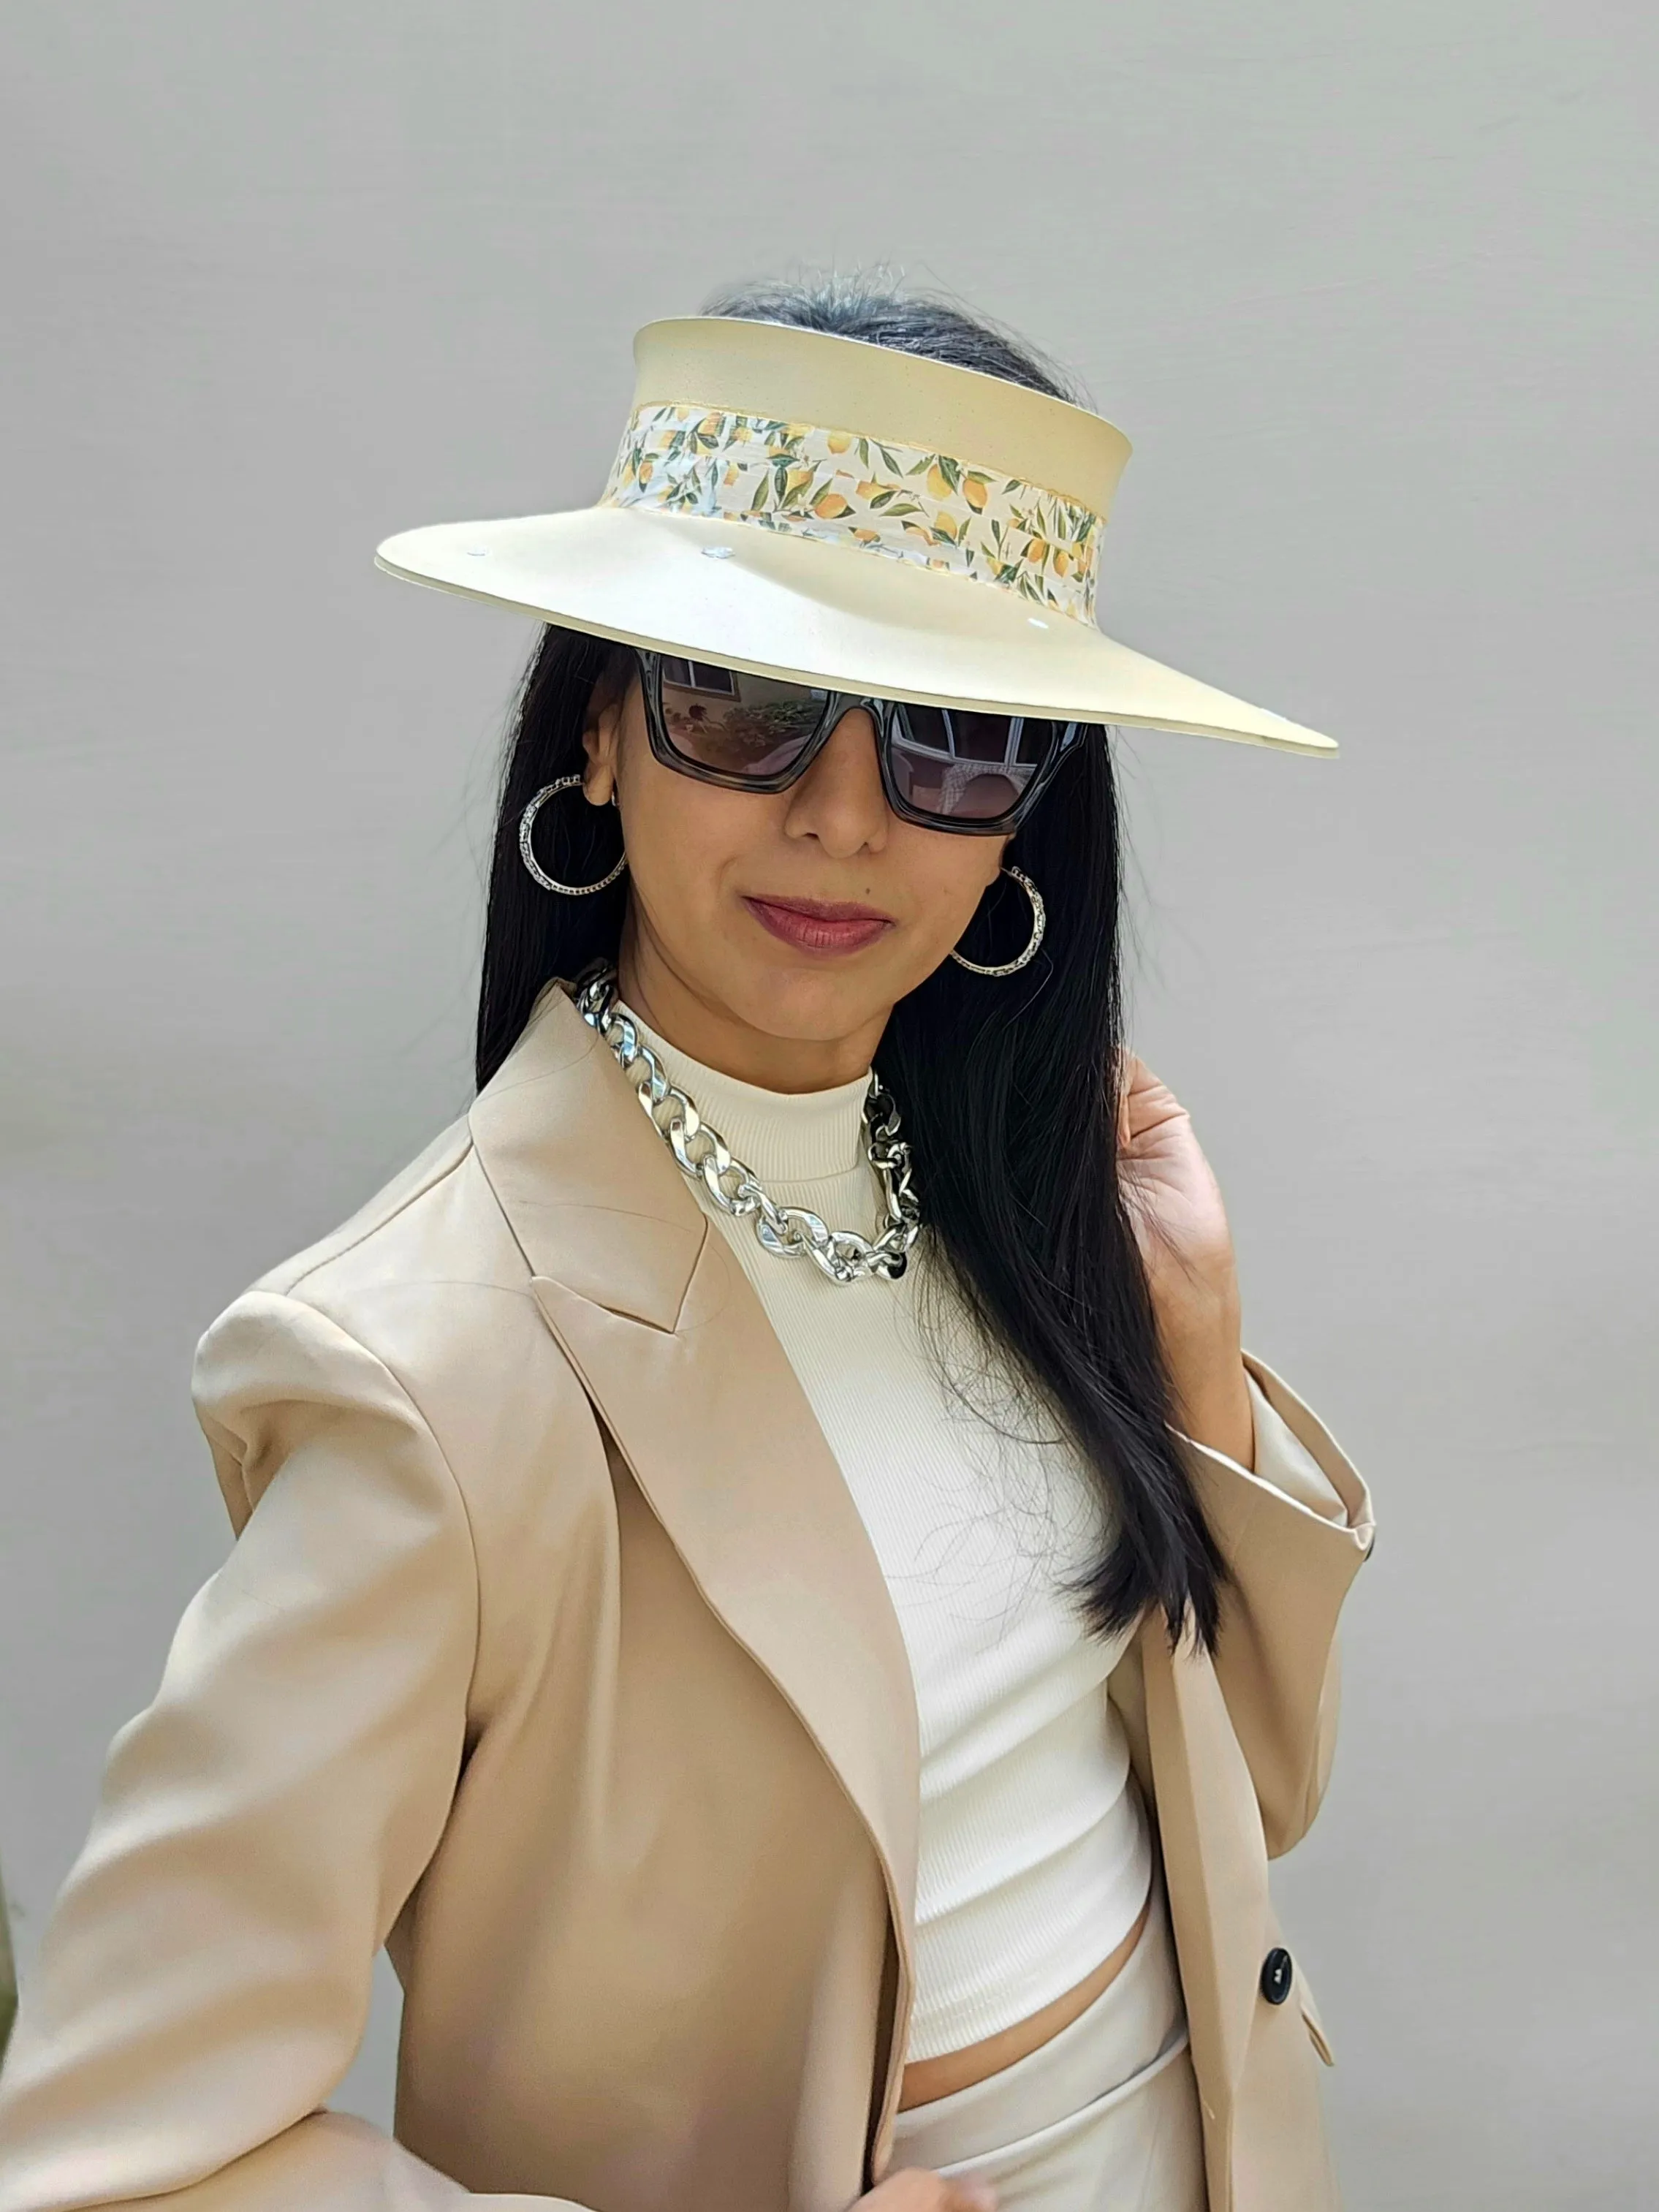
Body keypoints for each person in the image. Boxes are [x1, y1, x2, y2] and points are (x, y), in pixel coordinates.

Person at [0, 279, 1375, 2212]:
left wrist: (1193, 1345)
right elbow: (118, 2156)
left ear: (1025, 821)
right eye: (740, 704)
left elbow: (1246, 1808)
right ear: (599, 737)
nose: (839, 819)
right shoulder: (423, 1369)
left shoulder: (1010, 1204)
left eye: (952, 738)